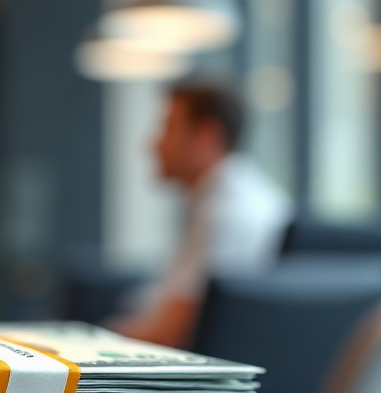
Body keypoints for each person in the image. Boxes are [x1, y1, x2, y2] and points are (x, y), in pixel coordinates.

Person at [111, 76, 292, 349]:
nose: (153, 145)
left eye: (168, 128)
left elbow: (170, 334)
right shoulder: (234, 199)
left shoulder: (229, 215)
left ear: (208, 135)